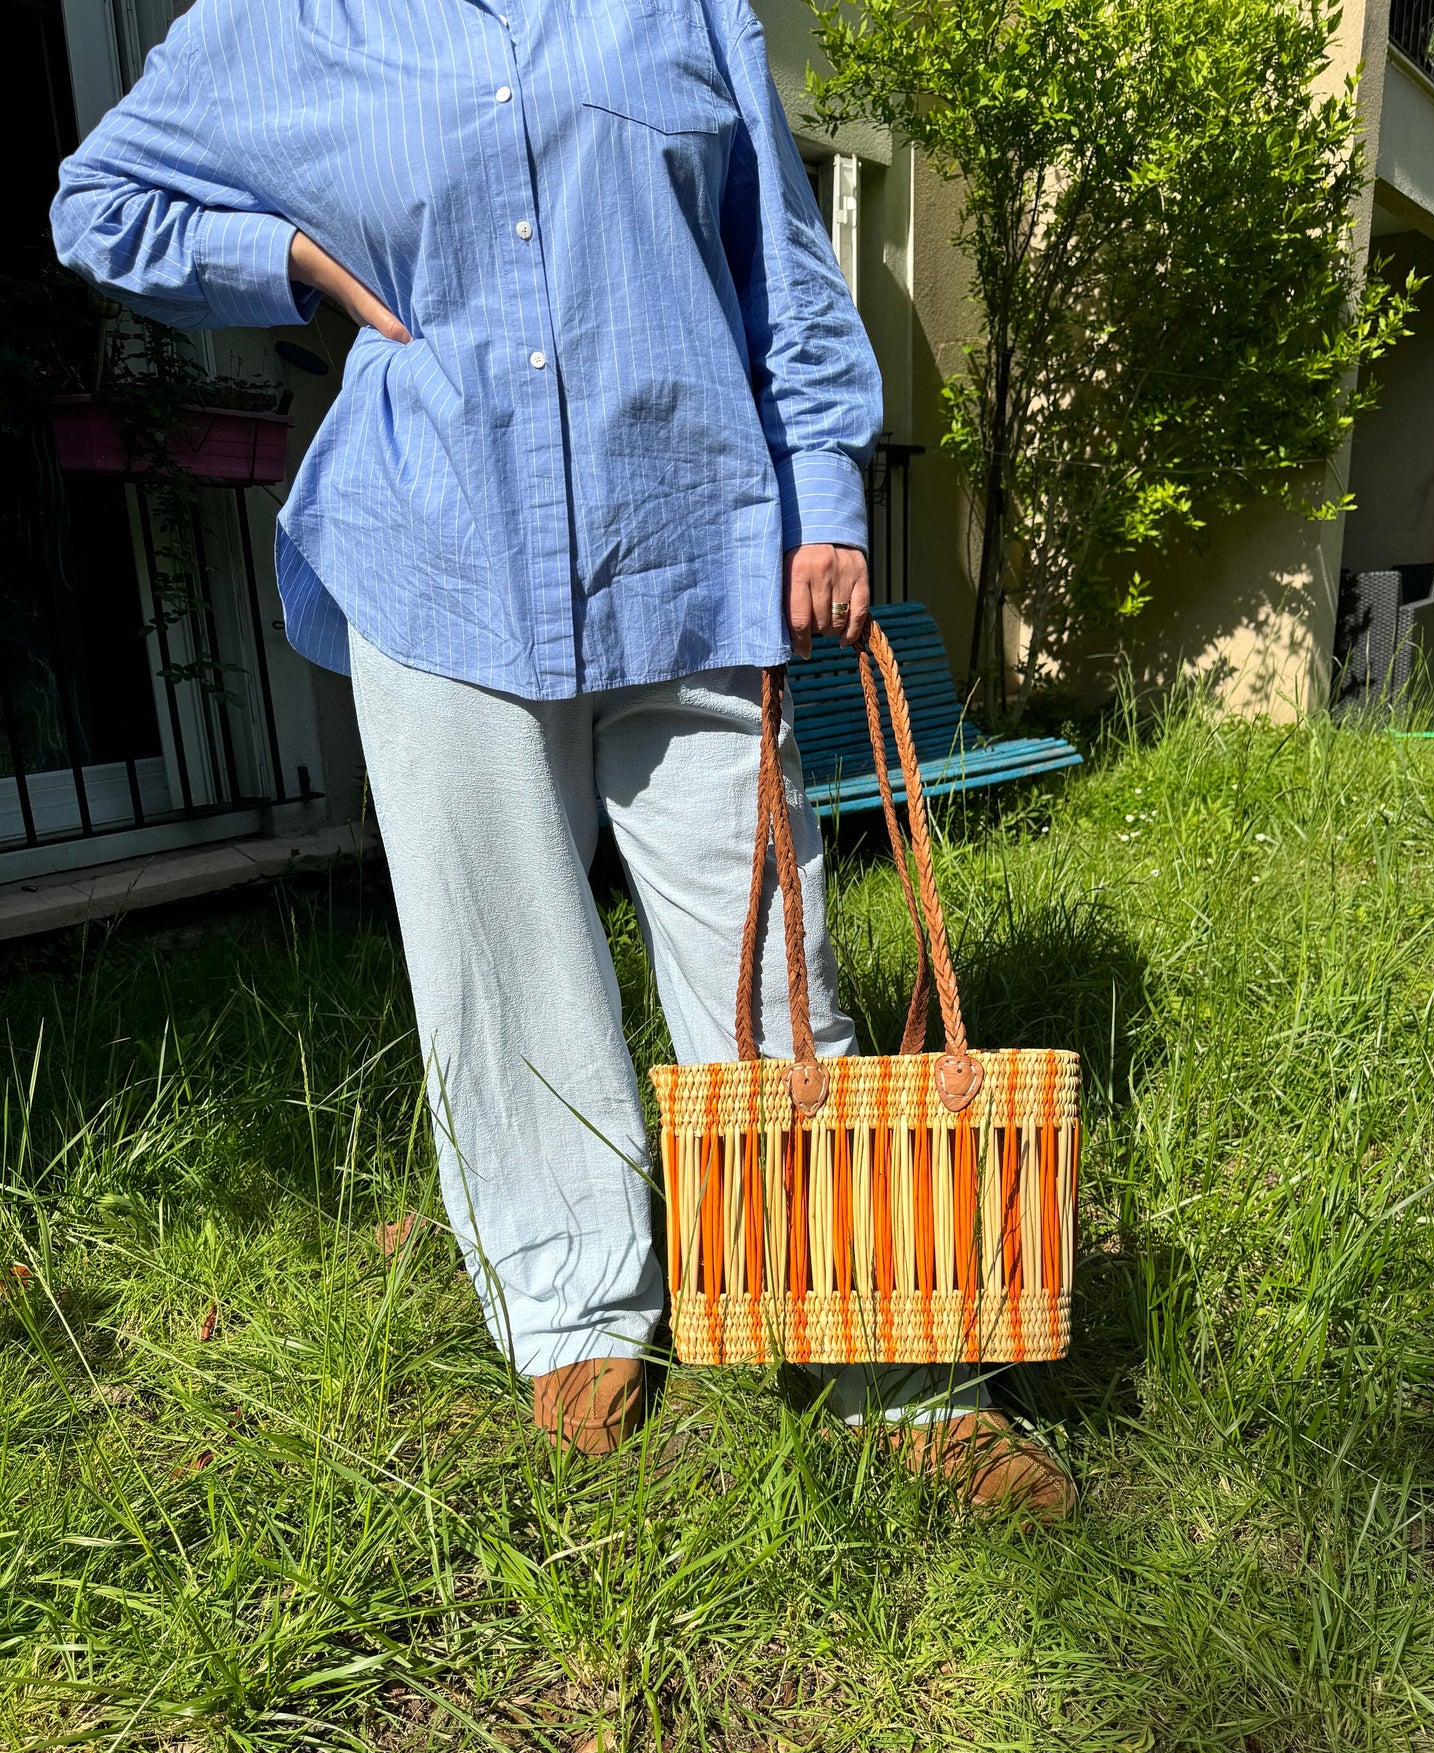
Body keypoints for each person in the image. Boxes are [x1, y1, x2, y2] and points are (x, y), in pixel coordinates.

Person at [53, 0, 1072, 1517]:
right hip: (441, 550)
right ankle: (578, 1306)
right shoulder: (279, 23)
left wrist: (826, 495)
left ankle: (890, 1365)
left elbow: (774, 259)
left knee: (776, 969)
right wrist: (291, 265)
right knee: (505, 969)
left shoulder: (680, 7)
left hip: (695, 540)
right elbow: (99, 202)